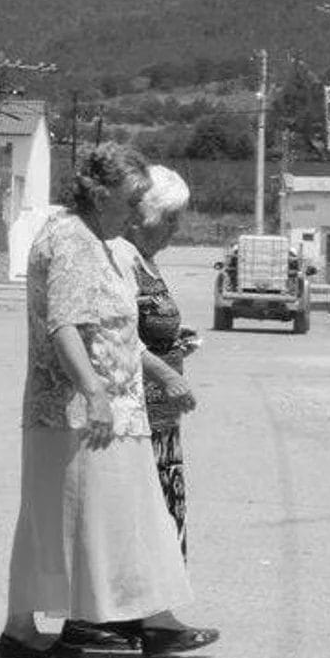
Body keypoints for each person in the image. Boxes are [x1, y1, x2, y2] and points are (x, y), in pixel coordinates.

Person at [0, 143, 219, 658]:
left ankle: (149, 621)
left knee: (124, 518)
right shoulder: (73, 240)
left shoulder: (101, 241)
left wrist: (165, 375)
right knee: (78, 521)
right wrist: (94, 393)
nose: (137, 212)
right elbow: (65, 325)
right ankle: (30, 630)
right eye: (129, 200)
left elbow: (117, 332)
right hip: (78, 414)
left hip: (111, 412)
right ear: (99, 195)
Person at [121, 164, 196, 555]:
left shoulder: (149, 260)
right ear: (142, 218)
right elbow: (117, 333)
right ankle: (143, 610)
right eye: (169, 219)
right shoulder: (125, 259)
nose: (175, 229)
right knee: (146, 516)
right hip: (139, 416)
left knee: (169, 511)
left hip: (163, 418)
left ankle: (160, 610)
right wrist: (166, 373)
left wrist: (177, 341)